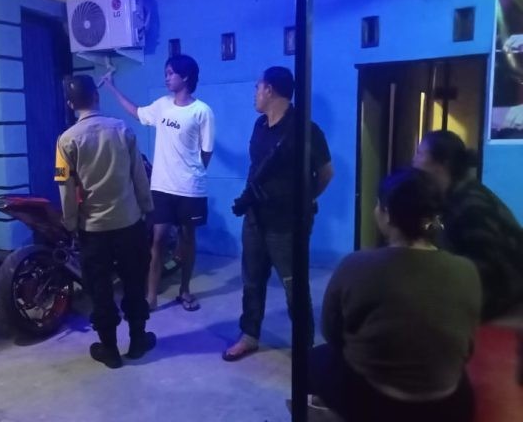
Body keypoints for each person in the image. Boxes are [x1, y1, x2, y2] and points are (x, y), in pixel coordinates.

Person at [311, 168, 481, 422]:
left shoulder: (355, 265)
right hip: (447, 406)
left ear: (387, 214)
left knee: (315, 359)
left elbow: (331, 332)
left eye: (377, 205)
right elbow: (467, 346)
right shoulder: (466, 269)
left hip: (376, 403)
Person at [223, 67, 333, 361]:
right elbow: (255, 167)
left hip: (287, 224)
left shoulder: (306, 130)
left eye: (257, 87)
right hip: (255, 218)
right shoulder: (260, 126)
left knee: (293, 286)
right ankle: (249, 335)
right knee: (252, 280)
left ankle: (304, 347)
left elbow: (326, 173)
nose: (255, 93)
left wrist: (304, 200)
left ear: (269, 90)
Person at [55, 75, 156, 369]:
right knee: (134, 283)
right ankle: (137, 341)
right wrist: (147, 208)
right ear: (97, 97)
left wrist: (70, 222)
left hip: (93, 230)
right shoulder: (123, 130)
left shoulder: (66, 141)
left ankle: (109, 350)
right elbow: (139, 176)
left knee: (99, 288)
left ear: (70, 104)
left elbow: (65, 187)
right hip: (129, 223)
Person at [102, 54, 214, 311]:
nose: (167, 78)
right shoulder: (162, 105)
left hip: (190, 189)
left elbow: (206, 151)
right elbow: (137, 112)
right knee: (158, 240)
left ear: (185, 76)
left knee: (187, 239)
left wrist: (192, 173)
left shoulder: (202, 111)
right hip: (162, 187)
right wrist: (111, 87)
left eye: (171, 73)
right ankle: (151, 297)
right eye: (166, 73)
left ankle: (185, 290)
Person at [413, 130, 523, 321]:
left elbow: (487, 269)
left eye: (420, 154)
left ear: (442, 163)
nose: (414, 160)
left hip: (501, 295)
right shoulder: (452, 196)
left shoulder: (471, 204)